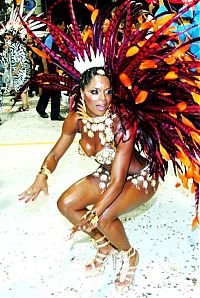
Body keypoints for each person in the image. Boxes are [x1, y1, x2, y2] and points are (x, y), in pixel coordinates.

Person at [18, 0, 199, 294]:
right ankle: (104, 245)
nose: (102, 98)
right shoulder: (75, 119)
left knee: (103, 216)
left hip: (142, 178)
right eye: (94, 92)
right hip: (110, 174)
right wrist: (42, 175)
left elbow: (117, 181)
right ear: (81, 93)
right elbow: (56, 152)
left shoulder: (121, 123)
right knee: (66, 204)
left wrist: (94, 213)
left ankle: (130, 255)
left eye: (107, 91)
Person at [36, 19, 66, 121]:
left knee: (52, 90)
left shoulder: (58, 38)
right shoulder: (50, 37)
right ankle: (48, 112)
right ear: (57, 25)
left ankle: (50, 112)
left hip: (54, 68)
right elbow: (44, 54)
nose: (64, 27)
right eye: (62, 25)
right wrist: (45, 69)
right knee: (51, 90)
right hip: (48, 68)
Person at [4, 30, 31, 111]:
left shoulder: (19, 45)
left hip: (21, 69)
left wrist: (16, 69)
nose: (7, 37)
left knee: (21, 87)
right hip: (19, 69)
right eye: (6, 35)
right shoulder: (14, 44)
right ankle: (25, 105)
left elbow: (22, 58)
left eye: (9, 35)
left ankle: (25, 106)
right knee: (22, 88)